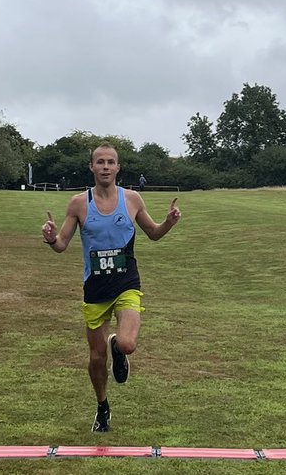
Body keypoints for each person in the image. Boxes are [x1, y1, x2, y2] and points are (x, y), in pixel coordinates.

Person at [41, 144, 181, 433]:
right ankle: (102, 406)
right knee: (95, 357)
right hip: (95, 288)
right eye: (100, 162)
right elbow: (62, 245)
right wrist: (52, 238)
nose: (105, 167)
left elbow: (153, 234)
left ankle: (118, 347)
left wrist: (168, 222)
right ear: (91, 167)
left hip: (126, 282)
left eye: (111, 162)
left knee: (129, 343)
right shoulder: (79, 203)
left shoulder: (131, 199)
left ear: (118, 168)